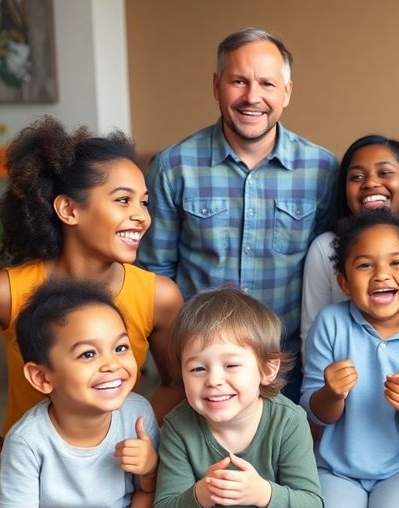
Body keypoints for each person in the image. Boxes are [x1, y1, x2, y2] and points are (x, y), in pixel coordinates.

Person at [139, 28, 337, 400]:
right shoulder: (173, 166)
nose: (252, 97)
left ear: (287, 92)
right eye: (239, 81)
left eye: (267, 83)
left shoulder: (322, 169)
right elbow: (154, 280)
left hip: (288, 371)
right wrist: (174, 374)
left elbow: (327, 273)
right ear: (216, 86)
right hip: (200, 374)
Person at [0, 116, 182, 445]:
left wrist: (139, 436)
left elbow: (175, 383)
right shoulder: (8, 291)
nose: (141, 215)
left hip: (117, 482)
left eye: (144, 202)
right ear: (69, 209)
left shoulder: (159, 297)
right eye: (123, 200)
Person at [302, 209, 399, 508]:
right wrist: (331, 393)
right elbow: (316, 412)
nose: (381, 274)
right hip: (336, 469)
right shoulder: (331, 323)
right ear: (344, 282)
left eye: (397, 263)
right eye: (365, 265)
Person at [153, 288, 323, 508]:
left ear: (268, 369)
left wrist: (263, 494)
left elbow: (312, 505)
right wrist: (202, 493)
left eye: (231, 365)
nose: (213, 380)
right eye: (197, 368)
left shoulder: (288, 421)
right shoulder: (178, 426)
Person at [0, 278, 160, 508]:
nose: (112, 364)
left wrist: (150, 469)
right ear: (42, 378)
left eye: (120, 348)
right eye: (88, 354)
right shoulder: (27, 442)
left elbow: (150, 492)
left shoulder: (138, 414)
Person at [301, 135, 399, 342]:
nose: (370, 183)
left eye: (384, 173)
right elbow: (311, 335)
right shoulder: (324, 249)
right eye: (357, 177)